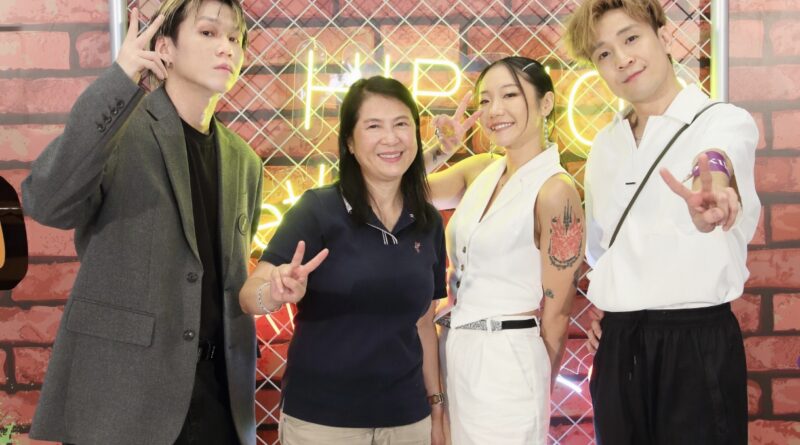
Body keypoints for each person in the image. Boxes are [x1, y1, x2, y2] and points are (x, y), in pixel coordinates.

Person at [22, 1, 263, 444]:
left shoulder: (244, 161)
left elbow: (227, 282)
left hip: (218, 401)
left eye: (235, 38)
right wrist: (119, 80)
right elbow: (46, 202)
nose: (226, 48)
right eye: (208, 33)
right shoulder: (121, 131)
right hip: (124, 401)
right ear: (164, 47)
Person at [564, 1, 760, 443]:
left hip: (695, 343)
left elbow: (717, 157)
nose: (622, 59)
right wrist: (613, 302)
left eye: (631, 38)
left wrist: (714, 187)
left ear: (664, 36)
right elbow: (603, 248)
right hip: (618, 345)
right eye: (604, 54)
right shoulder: (605, 145)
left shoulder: (721, 120)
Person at [239, 76, 447, 445]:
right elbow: (248, 295)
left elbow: (423, 324)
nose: (391, 138)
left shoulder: (427, 222)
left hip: (406, 422)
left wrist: (436, 408)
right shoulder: (318, 210)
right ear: (349, 141)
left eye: (401, 124)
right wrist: (273, 293)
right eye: (374, 126)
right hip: (323, 423)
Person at [423, 56, 585, 444]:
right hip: (453, 349)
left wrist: (537, 382)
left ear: (546, 103)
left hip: (508, 360)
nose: (494, 110)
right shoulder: (482, 169)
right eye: (485, 100)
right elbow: (393, 191)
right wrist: (439, 151)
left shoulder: (555, 191)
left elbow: (559, 312)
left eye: (509, 95)